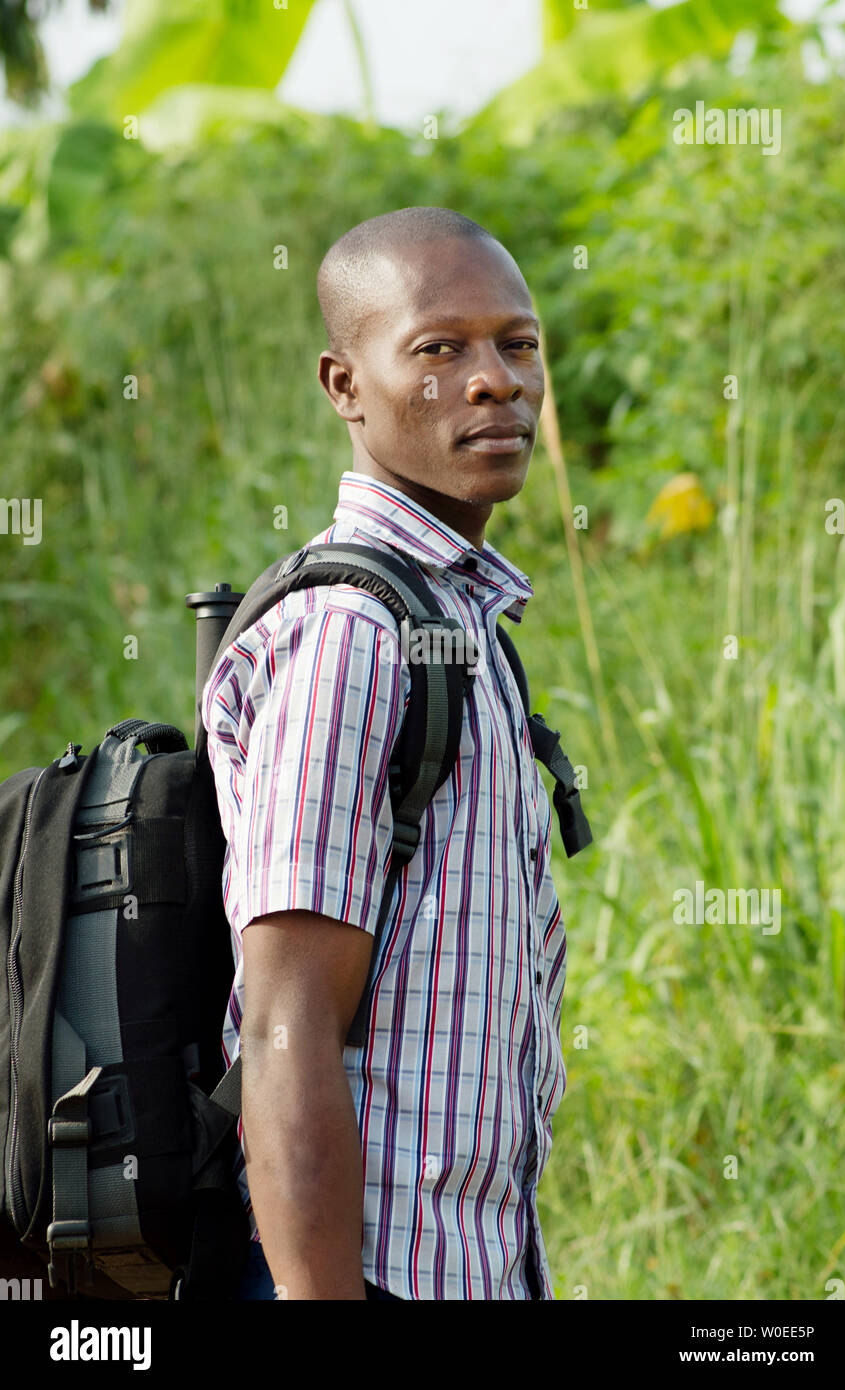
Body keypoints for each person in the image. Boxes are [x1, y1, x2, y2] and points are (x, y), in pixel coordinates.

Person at [203, 206, 567, 1300]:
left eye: (517, 343)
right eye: (438, 348)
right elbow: (283, 1022)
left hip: (471, 1270)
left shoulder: (466, 628)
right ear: (344, 384)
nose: (495, 380)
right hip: (371, 1276)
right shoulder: (353, 637)